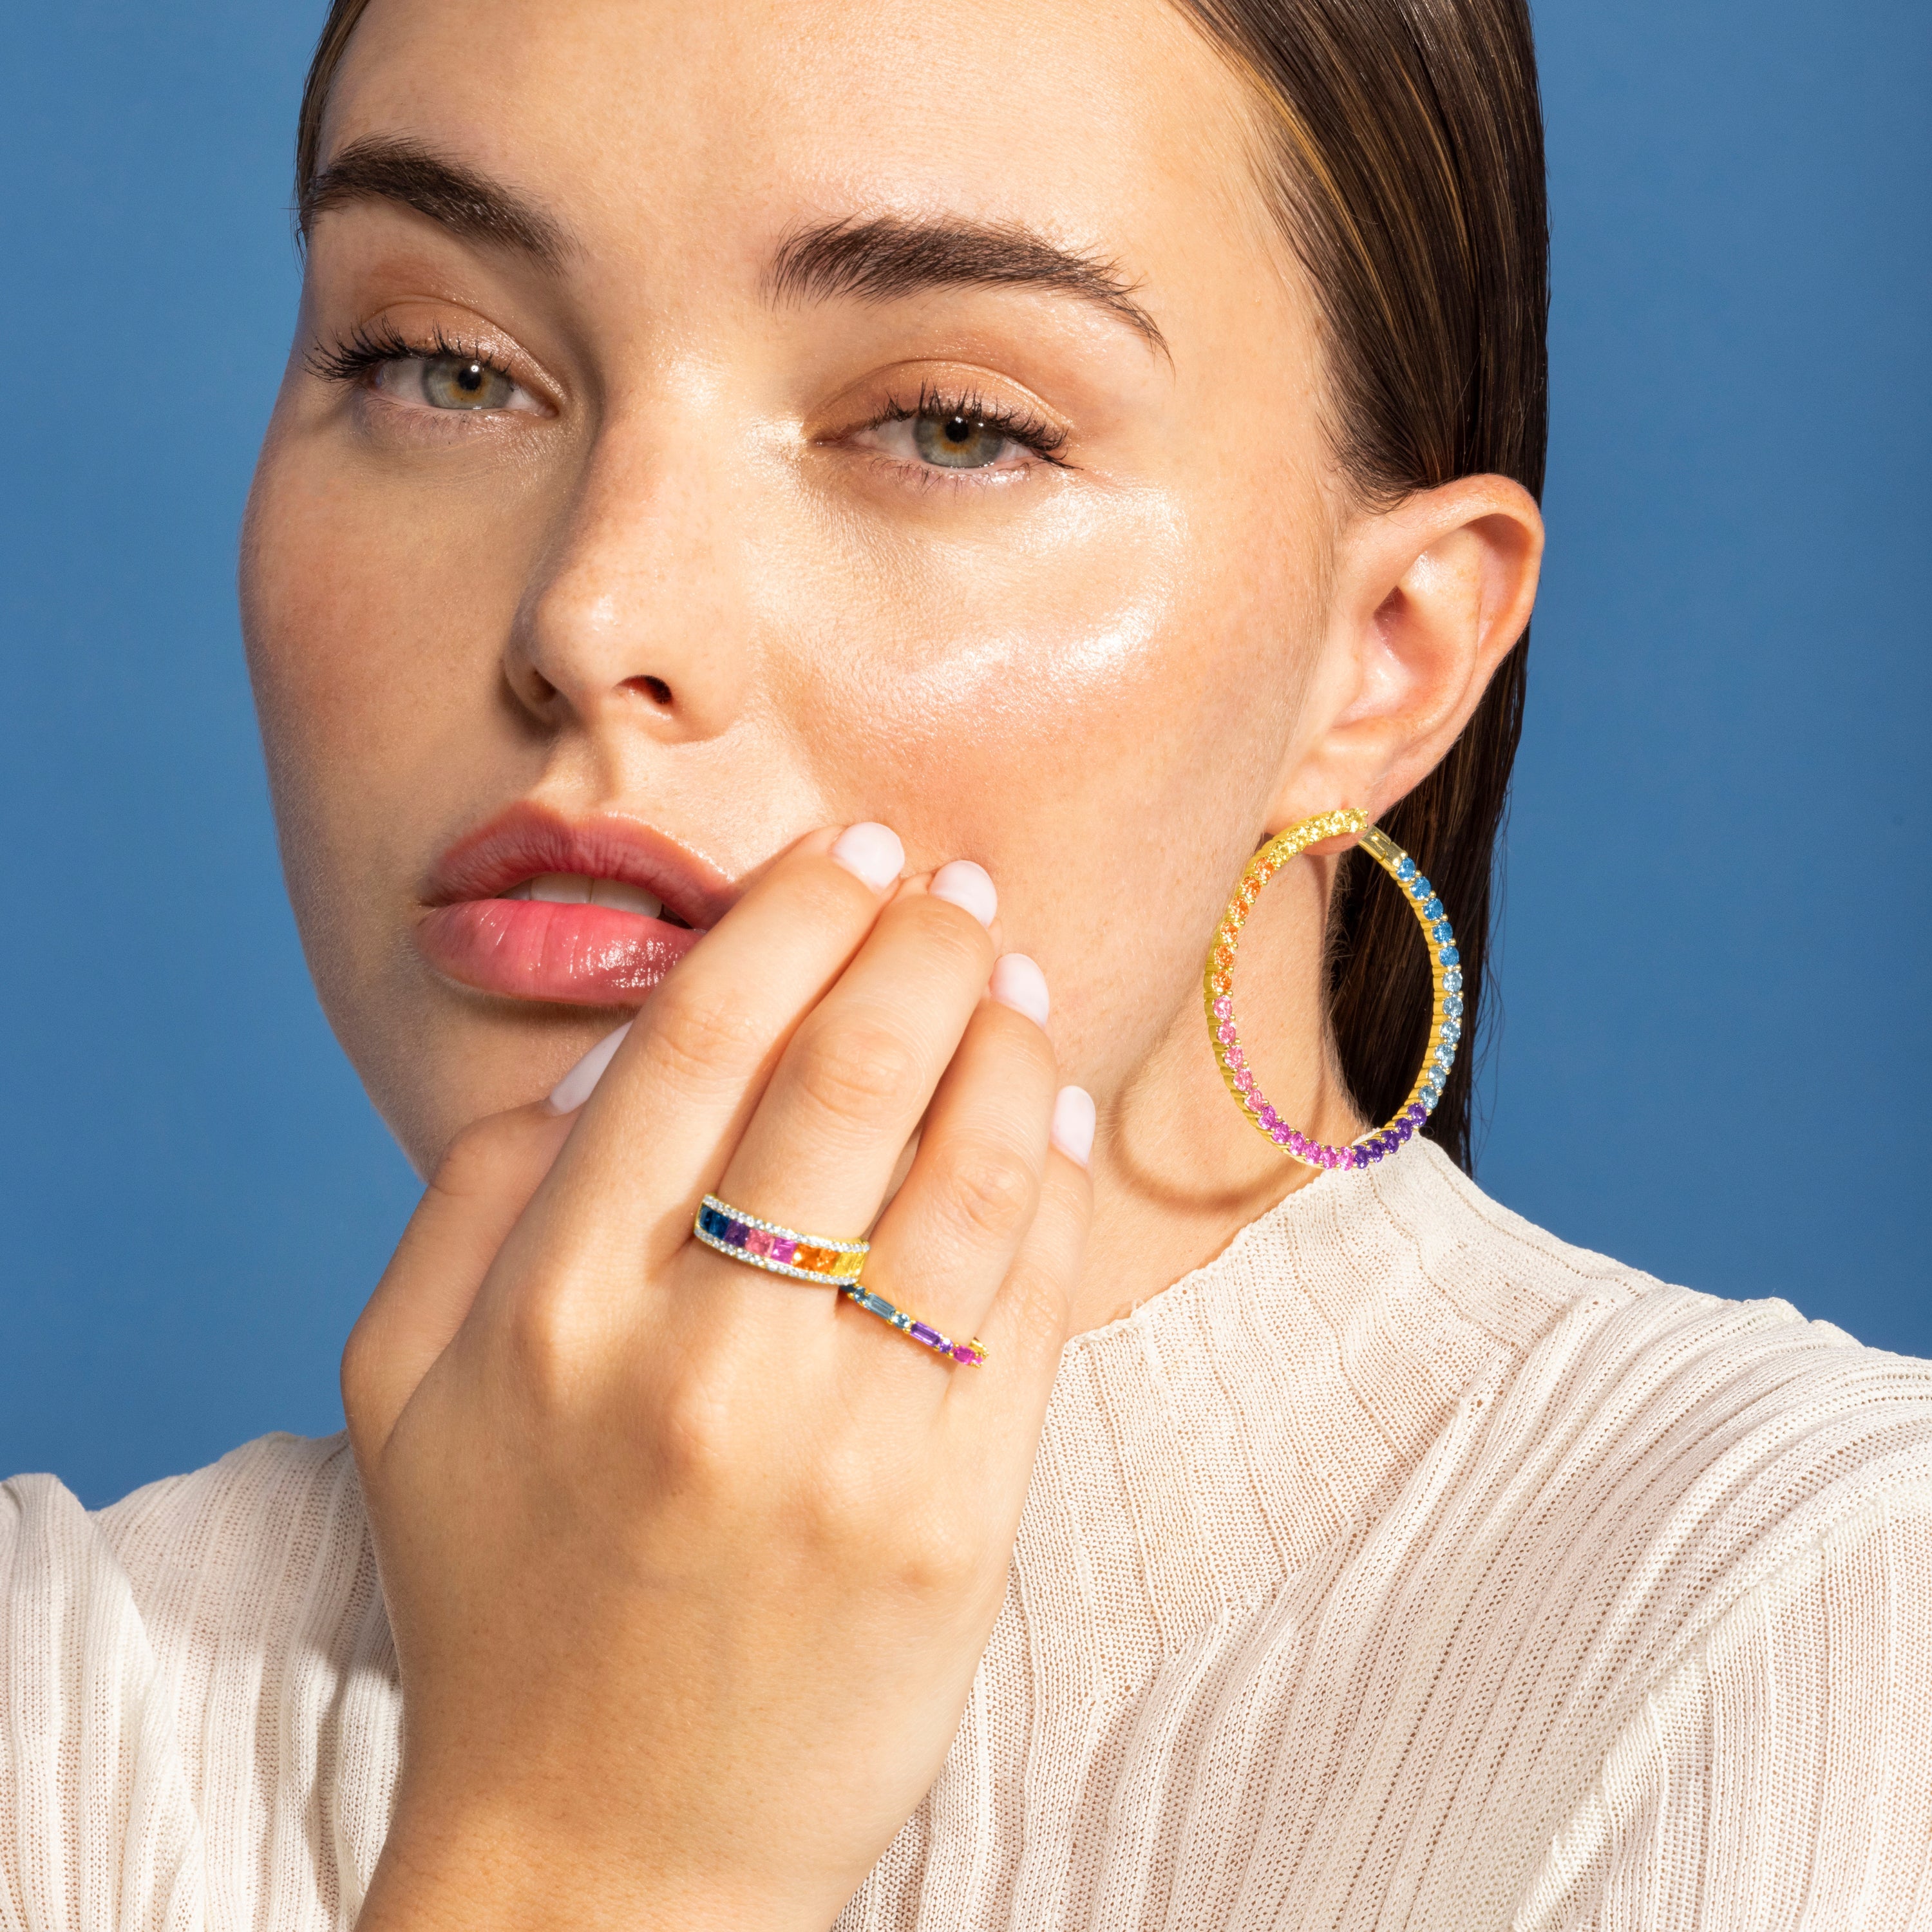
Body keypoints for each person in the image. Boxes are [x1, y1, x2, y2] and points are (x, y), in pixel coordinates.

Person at [6, 0, 1931, 1925]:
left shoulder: (1822, 1640)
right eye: (445, 368)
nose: (592, 614)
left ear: (1390, 652)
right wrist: (590, 1853)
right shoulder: (57, 1704)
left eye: (951, 425)